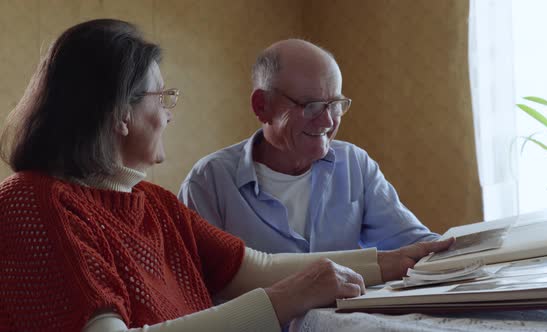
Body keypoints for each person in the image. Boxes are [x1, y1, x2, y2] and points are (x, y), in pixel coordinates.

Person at [0, 19, 453, 332]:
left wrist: (393, 260)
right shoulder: (30, 203)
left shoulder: (152, 203)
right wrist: (283, 300)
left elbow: (251, 266)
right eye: (163, 98)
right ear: (120, 114)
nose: (169, 116)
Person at [178, 39, 440, 254]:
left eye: (335, 104)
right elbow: (199, 292)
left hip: (343, 320)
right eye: (310, 106)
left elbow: (416, 244)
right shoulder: (208, 183)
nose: (327, 121)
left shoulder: (354, 164)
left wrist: (473, 251)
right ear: (262, 106)